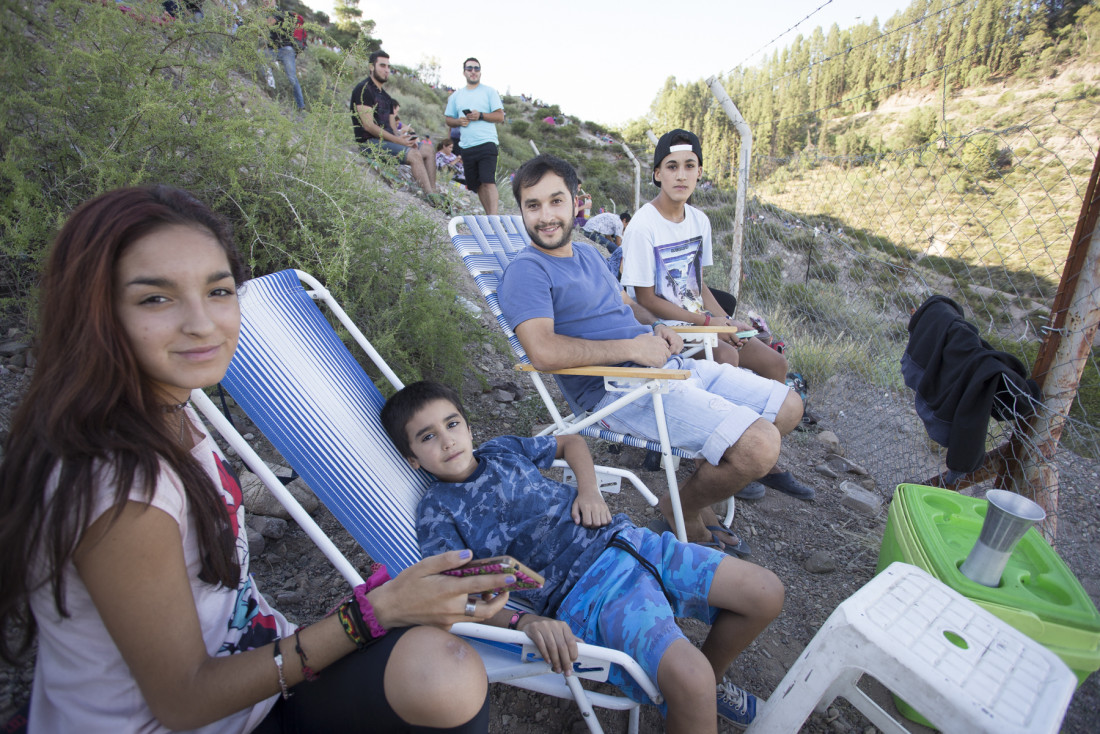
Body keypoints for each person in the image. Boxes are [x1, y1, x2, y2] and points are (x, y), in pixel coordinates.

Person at [0, 185, 510, 733]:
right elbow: (184, 701)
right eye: (156, 298)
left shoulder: (164, 409)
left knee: (446, 670)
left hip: (257, 672)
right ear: (94, 312)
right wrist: (374, 612)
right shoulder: (122, 488)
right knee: (446, 679)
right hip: (195, 718)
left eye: (219, 291)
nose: (204, 323)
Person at [380, 381, 783, 732]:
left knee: (766, 592)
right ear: (413, 459)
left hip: (631, 541)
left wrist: (589, 490)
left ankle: (698, 689)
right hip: (590, 593)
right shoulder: (438, 510)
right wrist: (525, 619)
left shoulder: (501, 451)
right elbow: (453, 592)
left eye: (451, 424)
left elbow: (570, 442)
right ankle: (693, 691)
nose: (447, 440)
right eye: (427, 437)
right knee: (690, 679)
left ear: (467, 427)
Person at [497, 154, 807, 553]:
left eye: (555, 201)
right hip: (617, 390)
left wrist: (655, 327)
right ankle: (683, 510)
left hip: (661, 365)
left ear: (577, 201)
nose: (545, 216)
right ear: (521, 210)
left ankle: (698, 487)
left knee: (788, 407)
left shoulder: (589, 254)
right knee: (760, 445)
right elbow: (541, 352)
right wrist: (634, 348)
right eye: (532, 205)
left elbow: (626, 304)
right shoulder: (528, 271)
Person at [620, 129, 811, 501]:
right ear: (657, 173)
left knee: (774, 365)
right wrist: (711, 326)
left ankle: (757, 458)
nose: (681, 175)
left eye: (689, 166)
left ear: (699, 172)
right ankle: (717, 459)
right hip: (664, 325)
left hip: (699, 320)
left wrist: (728, 322)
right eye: (671, 166)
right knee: (727, 355)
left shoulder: (699, 221)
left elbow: (698, 285)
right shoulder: (643, 225)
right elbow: (646, 299)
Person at [351, 51, 439, 200]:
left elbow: (392, 128)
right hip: (370, 144)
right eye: (382, 65)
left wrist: (406, 140)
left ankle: (435, 191)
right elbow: (368, 126)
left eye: (388, 66)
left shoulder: (387, 97)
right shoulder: (363, 89)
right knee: (414, 155)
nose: (386, 70)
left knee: (428, 149)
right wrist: (399, 142)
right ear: (371, 67)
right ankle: (430, 197)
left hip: (388, 142)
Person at [444, 58, 504, 214]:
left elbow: (500, 116)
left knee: (488, 181)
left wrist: (481, 115)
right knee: (476, 185)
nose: (473, 71)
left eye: (476, 69)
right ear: (464, 72)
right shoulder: (456, 96)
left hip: (487, 142)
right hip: (466, 145)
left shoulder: (489, 92)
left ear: (480, 72)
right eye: (469, 68)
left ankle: (494, 219)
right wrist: (459, 121)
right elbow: (448, 119)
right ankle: (489, 216)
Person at [263, 0, 305, 112]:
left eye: (268, 0)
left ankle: (301, 106)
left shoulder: (278, 12)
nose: (265, 2)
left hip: (286, 50)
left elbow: (268, 24)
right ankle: (269, 89)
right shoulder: (268, 13)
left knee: (292, 78)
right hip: (275, 49)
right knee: (260, 57)